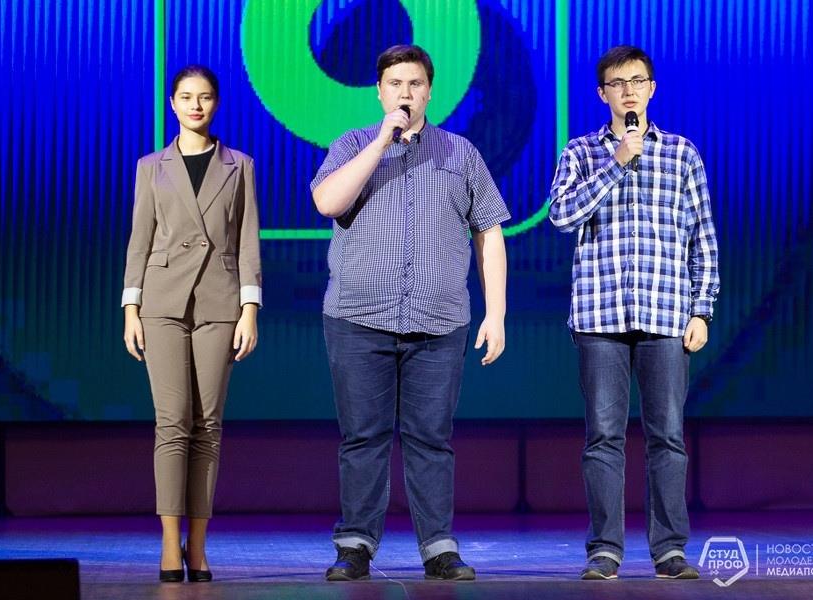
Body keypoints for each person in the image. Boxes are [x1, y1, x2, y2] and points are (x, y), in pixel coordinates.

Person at [310, 44, 510, 581]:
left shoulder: (460, 153)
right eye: (395, 84)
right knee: (363, 436)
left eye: (415, 84)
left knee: (431, 439)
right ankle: (355, 544)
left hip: (439, 322)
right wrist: (381, 142)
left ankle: (439, 547)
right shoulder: (352, 144)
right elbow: (328, 202)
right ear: (379, 91)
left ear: (429, 91)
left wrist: (495, 313)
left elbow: (489, 231)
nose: (405, 93)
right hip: (358, 318)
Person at [548, 45, 719, 580]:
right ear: (603, 94)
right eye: (618, 83)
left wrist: (702, 310)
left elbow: (702, 239)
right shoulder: (581, 152)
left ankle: (670, 550)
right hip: (599, 317)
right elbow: (561, 215)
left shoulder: (682, 154)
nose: (629, 91)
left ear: (652, 89)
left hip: (666, 315)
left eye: (637, 81)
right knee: (604, 437)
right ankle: (605, 550)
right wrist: (616, 163)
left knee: (667, 435)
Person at [121, 65, 262, 583]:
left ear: (216, 103)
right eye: (186, 97)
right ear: (172, 104)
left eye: (204, 97)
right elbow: (140, 238)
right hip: (161, 302)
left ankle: (197, 545)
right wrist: (130, 307)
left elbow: (247, 239)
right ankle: (167, 543)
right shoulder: (151, 167)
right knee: (171, 422)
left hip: (219, 303)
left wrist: (250, 308)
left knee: (208, 425)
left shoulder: (239, 165)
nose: (196, 106)